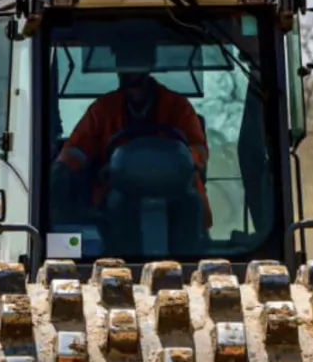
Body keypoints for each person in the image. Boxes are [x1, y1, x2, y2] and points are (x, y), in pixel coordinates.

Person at [54, 41, 213, 229]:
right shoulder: (102, 111)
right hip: (115, 200)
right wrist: (61, 169)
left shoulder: (179, 108)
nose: (130, 69)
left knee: (191, 206)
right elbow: (75, 150)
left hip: (175, 196)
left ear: (151, 63)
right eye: (123, 61)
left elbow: (198, 151)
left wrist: (175, 165)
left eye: (136, 61)